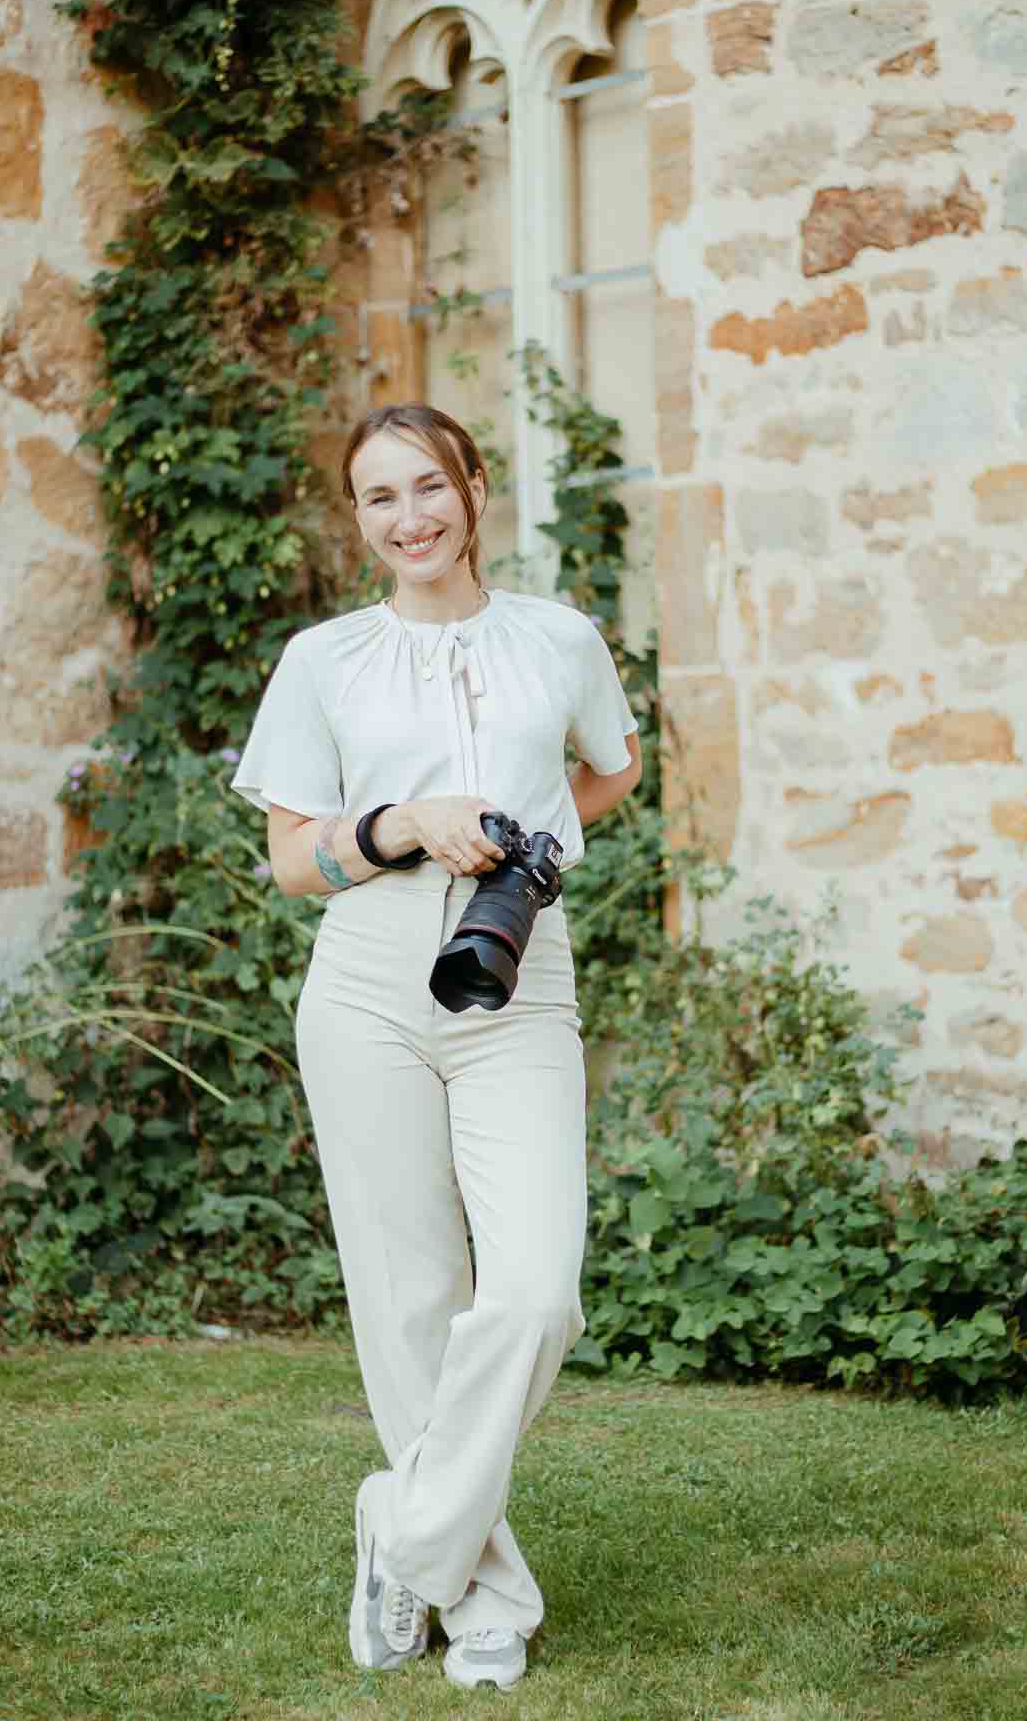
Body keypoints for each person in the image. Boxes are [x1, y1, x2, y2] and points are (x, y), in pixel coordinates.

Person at [232, 402, 642, 1691]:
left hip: (517, 977)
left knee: (535, 1292)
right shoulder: (324, 660)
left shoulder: (559, 638)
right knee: (409, 1303)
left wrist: (532, 845)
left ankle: (402, 1540)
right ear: (357, 520)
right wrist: (403, 823)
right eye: (377, 499)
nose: (409, 518)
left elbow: (612, 771)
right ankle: (478, 1602)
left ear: (472, 485)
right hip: (366, 982)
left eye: (429, 486)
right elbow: (293, 860)